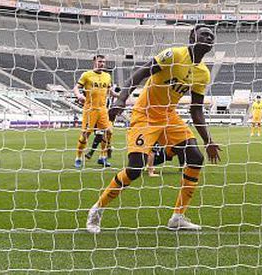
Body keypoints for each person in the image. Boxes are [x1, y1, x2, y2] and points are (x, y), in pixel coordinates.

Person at [86, 24, 221, 234]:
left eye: (212, 36)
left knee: (195, 157)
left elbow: (196, 110)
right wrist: (120, 101)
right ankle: (97, 209)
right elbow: (138, 75)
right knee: (135, 169)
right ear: (192, 36)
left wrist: (208, 140)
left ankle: (177, 216)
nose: (209, 37)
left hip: (169, 116)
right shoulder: (173, 54)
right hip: (146, 114)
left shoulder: (203, 74)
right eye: (204, 34)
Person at [73, 55, 118, 168]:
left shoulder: (107, 76)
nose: (102, 64)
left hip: (103, 110)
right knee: (85, 134)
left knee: (109, 132)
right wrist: (78, 95)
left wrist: (120, 96)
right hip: (90, 109)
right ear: (94, 62)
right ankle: (78, 157)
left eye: (103, 62)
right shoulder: (87, 75)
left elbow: (110, 91)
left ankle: (102, 157)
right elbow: (76, 87)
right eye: (100, 61)